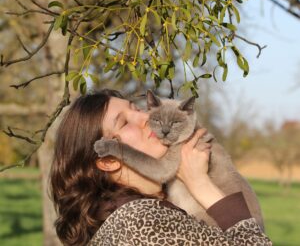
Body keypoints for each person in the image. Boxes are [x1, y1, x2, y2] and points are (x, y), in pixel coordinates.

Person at [50, 89, 272, 246]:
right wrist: (201, 184)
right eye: (124, 122)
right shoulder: (140, 222)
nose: (145, 117)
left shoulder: (131, 213)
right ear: (108, 159)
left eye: (137, 108)